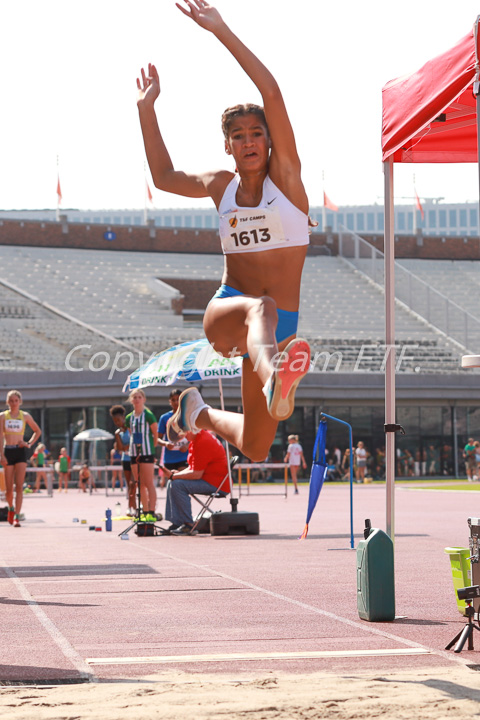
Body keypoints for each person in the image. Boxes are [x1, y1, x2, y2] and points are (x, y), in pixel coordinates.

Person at [137, 0, 311, 462]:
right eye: (239, 136)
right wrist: (146, 109)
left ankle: (197, 413)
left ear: (270, 141)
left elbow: (271, 93)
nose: (249, 141)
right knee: (262, 307)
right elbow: (164, 176)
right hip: (230, 311)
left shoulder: (288, 183)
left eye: (257, 133)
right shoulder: (222, 187)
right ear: (228, 146)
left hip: (279, 332)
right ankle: (275, 375)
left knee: (256, 446)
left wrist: (222, 31)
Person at [160, 428, 228, 535]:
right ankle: (177, 523)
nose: (183, 437)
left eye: (184, 433)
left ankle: (188, 525)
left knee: (177, 485)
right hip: (210, 480)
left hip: (217, 484)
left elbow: (196, 474)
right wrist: (176, 475)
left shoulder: (203, 441)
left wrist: (174, 476)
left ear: (190, 430)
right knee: (172, 482)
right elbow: (192, 468)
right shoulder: (196, 440)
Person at [0, 390, 41, 526]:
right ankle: (11, 508)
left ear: (20, 402)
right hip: (8, 452)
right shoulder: (3, 417)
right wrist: (2, 455)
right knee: (9, 489)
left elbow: (37, 431)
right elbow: (0, 437)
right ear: (7, 402)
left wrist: (28, 444)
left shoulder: (25, 416)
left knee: (19, 487)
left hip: (20, 451)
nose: (13, 403)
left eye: (16, 401)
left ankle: (17, 515)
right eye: (11, 401)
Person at [124, 390, 158, 521]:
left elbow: (155, 433)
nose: (137, 400)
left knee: (148, 482)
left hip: (147, 452)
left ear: (144, 399)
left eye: (139, 397)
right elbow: (130, 432)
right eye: (134, 397)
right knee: (139, 483)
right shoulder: (129, 418)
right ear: (131, 400)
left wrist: (151, 448)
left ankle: (152, 511)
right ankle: (144, 511)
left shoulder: (149, 415)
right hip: (133, 452)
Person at [157, 389, 189, 489]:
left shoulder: (187, 416)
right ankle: (171, 504)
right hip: (169, 458)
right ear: (169, 402)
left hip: (184, 456)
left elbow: (196, 436)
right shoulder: (164, 418)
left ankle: (183, 504)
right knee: (171, 486)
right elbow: (158, 439)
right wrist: (166, 444)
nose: (175, 402)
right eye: (173, 400)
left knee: (182, 484)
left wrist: (187, 446)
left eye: (178, 399)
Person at [110, 405, 135, 514]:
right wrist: (117, 436)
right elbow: (120, 448)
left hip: (135, 458)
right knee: (129, 484)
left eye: (119, 420)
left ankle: (136, 506)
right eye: (115, 421)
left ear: (123, 418)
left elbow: (132, 444)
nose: (117, 423)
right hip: (125, 459)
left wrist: (126, 447)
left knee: (134, 483)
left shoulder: (131, 428)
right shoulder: (118, 433)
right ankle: (131, 507)